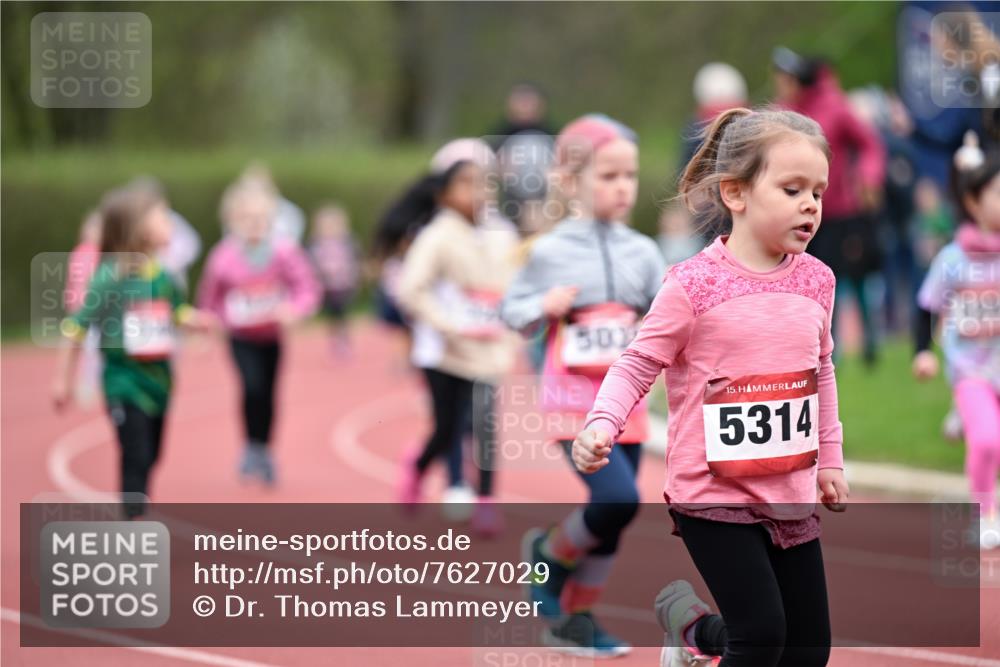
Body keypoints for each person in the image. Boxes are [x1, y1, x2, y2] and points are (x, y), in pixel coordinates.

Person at [572, 108, 848, 667]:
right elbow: (637, 361)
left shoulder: (819, 280)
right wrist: (602, 422)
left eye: (818, 191)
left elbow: (821, 372)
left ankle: (695, 630)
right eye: (792, 188)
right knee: (762, 635)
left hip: (789, 491)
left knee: (809, 648)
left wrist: (831, 459)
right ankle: (704, 632)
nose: (810, 204)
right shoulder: (693, 285)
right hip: (712, 494)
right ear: (736, 194)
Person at [501, 114, 666, 658]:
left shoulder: (643, 251)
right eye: (608, 176)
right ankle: (548, 555)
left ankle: (577, 620)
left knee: (614, 522)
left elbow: (664, 316)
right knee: (618, 499)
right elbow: (512, 309)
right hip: (573, 401)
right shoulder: (549, 253)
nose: (623, 188)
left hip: (628, 401)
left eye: (630, 176)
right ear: (571, 182)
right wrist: (541, 307)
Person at [52, 182, 214, 518]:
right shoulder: (108, 279)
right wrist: (63, 379)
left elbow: (176, 310)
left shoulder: (163, 275)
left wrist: (194, 321)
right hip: (122, 381)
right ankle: (134, 521)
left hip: (160, 381)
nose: (171, 224)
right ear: (135, 228)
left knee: (153, 455)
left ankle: (136, 507)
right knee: (136, 453)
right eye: (162, 218)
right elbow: (75, 328)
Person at [395, 138, 520, 536]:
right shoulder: (436, 235)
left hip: (486, 349)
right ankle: (417, 466)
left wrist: (512, 331)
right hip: (442, 350)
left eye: (483, 183)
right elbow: (411, 288)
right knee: (447, 427)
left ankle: (485, 500)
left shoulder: (503, 233)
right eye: (466, 183)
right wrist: (445, 323)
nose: (477, 192)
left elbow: (517, 285)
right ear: (446, 194)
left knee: (484, 424)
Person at [197, 179, 321, 485]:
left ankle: (265, 450)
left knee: (268, 393)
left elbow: (307, 287)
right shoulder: (223, 256)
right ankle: (251, 447)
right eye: (246, 219)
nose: (254, 225)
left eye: (261, 219)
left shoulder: (284, 252)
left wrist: (295, 310)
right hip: (241, 338)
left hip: (272, 337)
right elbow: (209, 298)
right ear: (232, 221)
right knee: (251, 387)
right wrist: (208, 325)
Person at [913, 132, 1000, 550]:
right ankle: (985, 513)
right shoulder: (953, 260)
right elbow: (924, 306)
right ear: (973, 203)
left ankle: (962, 415)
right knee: (986, 440)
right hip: (971, 369)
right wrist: (922, 352)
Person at [773, 47, 887, 365]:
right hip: (799, 215)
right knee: (808, 278)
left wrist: (868, 177)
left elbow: (870, 144)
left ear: (800, 80)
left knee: (853, 277)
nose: (779, 85)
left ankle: (868, 346)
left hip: (841, 213)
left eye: (785, 79)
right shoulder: (784, 112)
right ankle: (819, 350)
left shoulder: (835, 107)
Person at [490, 83, 557, 234]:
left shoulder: (552, 134)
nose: (525, 107)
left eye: (529, 102)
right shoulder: (499, 135)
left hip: (544, 202)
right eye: (521, 102)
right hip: (509, 201)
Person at [309, 203, 360, 357]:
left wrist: (354, 279)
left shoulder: (348, 242)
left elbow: (354, 261)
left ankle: (343, 340)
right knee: (332, 316)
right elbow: (311, 264)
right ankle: (334, 339)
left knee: (342, 314)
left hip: (344, 286)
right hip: (326, 287)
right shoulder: (316, 243)